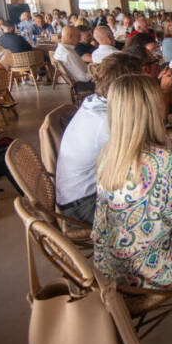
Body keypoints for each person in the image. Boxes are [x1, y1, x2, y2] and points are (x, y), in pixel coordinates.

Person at [92, 74, 172, 288]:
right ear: (150, 109)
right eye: (160, 98)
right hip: (152, 271)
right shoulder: (162, 161)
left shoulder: (108, 154)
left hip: (114, 268)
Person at [56, 53, 142, 223]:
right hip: (84, 205)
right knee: (164, 203)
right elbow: (141, 161)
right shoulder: (105, 120)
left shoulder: (95, 102)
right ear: (128, 85)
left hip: (76, 196)